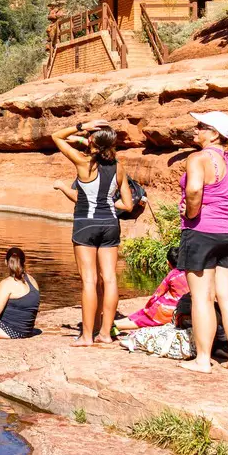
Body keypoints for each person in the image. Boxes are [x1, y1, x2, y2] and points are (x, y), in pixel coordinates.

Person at [178, 111, 228, 374]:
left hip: (201, 232)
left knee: (202, 297)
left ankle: (203, 360)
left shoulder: (197, 158)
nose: (195, 129)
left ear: (215, 134)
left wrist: (191, 215)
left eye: (201, 126)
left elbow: (194, 190)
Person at [51, 119, 140, 347]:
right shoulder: (119, 167)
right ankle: (105, 334)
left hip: (86, 224)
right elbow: (128, 205)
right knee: (109, 279)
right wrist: (108, 204)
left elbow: (57, 136)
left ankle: (86, 336)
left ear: (91, 141)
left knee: (89, 280)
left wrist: (83, 126)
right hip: (110, 224)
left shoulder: (83, 163)